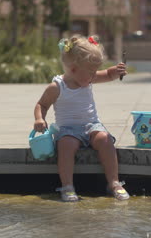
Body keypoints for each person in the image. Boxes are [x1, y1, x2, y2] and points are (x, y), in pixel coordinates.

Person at [33, 35, 129, 202]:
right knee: (66, 145)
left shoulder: (87, 78)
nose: (94, 76)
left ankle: (114, 182)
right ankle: (68, 186)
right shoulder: (57, 86)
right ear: (73, 69)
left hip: (92, 125)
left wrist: (116, 71)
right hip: (69, 130)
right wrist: (39, 119)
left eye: (94, 72)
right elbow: (41, 104)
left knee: (105, 139)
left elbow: (106, 74)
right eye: (91, 72)